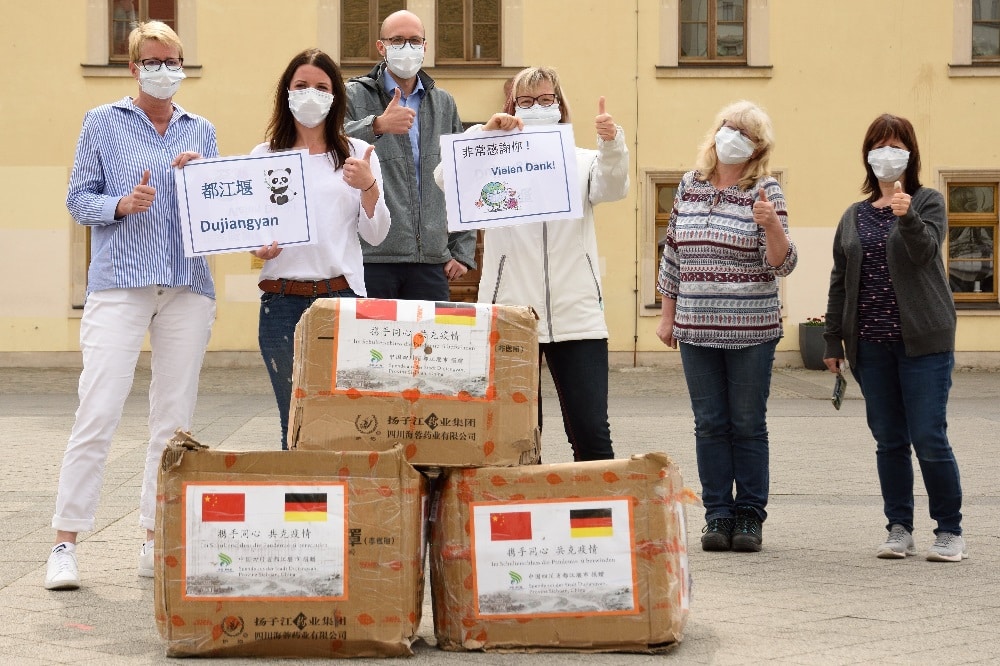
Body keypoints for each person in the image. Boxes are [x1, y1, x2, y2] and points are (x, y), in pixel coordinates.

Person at [47, 21, 217, 590]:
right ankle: (64, 543)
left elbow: (217, 213)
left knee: (174, 422)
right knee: (98, 409)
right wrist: (122, 203)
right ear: (133, 65)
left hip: (186, 286)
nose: (164, 68)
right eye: (154, 59)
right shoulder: (102, 122)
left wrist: (203, 190)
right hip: (120, 282)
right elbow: (78, 198)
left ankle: (154, 536)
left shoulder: (201, 130)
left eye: (173, 59)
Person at [438, 66, 628, 462]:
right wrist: (483, 135)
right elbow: (445, 178)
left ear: (560, 105)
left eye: (546, 100)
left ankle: (598, 516)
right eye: (526, 101)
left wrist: (612, 144)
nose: (538, 107)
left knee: (592, 432)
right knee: (518, 434)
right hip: (511, 313)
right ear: (512, 106)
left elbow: (612, 186)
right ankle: (523, 517)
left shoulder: (582, 160)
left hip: (577, 316)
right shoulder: (491, 156)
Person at [823, 113, 967, 562]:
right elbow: (840, 279)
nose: (887, 153)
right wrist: (832, 341)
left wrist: (906, 217)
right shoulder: (854, 215)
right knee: (889, 439)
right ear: (868, 156)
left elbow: (925, 254)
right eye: (879, 144)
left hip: (924, 342)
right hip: (871, 345)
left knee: (928, 436)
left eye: (896, 144)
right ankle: (899, 528)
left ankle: (949, 530)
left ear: (910, 152)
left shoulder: (927, 202)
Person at [655, 101, 797, 553]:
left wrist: (772, 226)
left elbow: (783, 263)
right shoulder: (689, 186)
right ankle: (717, 515)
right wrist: (666, 313)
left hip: (751, 329)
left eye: (744, 133)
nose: (731, 137)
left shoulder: (766, 191)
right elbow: (673, 251)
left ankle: (750, 517)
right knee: (710, 424)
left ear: (758, 149)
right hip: (696, 327)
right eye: (727, 128)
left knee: (748, 424)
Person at [250, 48, 390, 450]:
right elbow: (251, 231)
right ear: (286, 93)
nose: (310, 94)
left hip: (341, 299)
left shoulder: (358, 154)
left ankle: (341, 505)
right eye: (301, 86)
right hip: (280, 302)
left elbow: (378, 233)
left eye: (321, 87)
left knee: (343, 418)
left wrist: (368, 185)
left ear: (335, 96)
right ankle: (301, 506)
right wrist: (258, 250)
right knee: (291, 417)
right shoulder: (264, 157)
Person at [344, 9, 476, 301]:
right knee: (373, 346)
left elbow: (462, 177)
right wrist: (377, 125)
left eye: (415, 41)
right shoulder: (353, 95)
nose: (407, 48)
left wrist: (463, 250)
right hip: (372, 259)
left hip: (431, 261)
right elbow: (333, 146)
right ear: (381, 47)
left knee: (430, 346)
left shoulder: (443, 103)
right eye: (397, 40)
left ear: (425, 47)